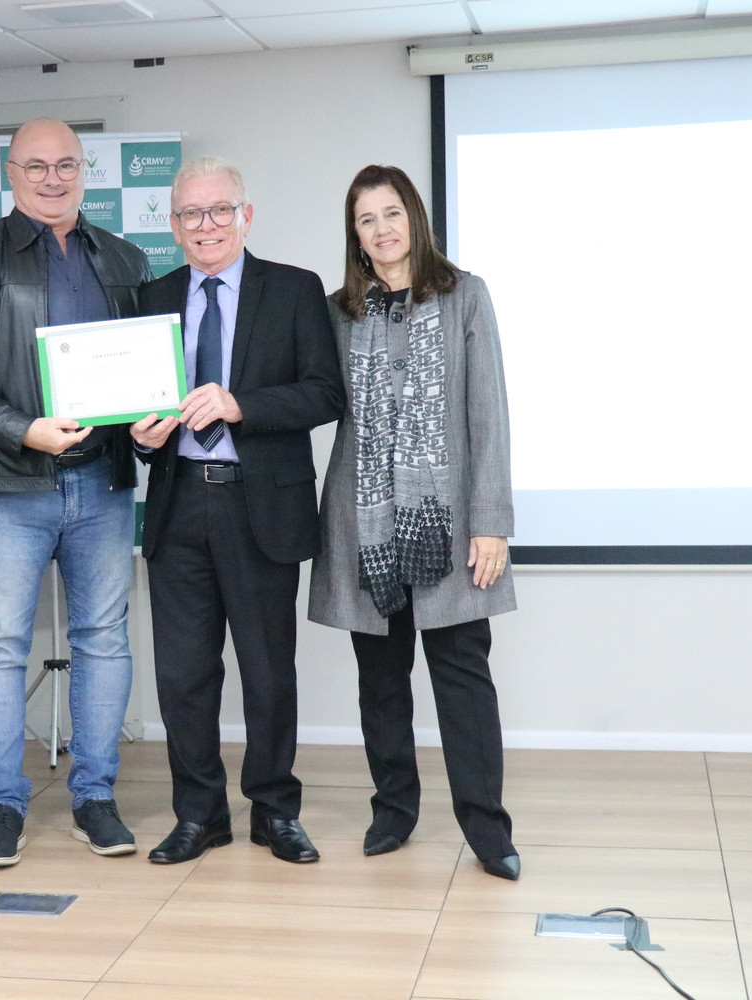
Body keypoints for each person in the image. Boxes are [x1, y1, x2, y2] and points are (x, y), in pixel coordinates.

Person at [0, 118, 153, 867]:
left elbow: (147, 370)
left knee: (104, 639)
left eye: (66, 165)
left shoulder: (124, 257)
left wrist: (148, 421)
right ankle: (3, 804)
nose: (52, 178)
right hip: (8, 486)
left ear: (84, 170)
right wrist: (23, 430)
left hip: (103, 483)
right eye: (36, 166)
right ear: (10, 172)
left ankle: (95, 797)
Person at [308, 164, 521, 880]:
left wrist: (491, 522)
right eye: (366, 219)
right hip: (365, 527)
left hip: (450, 526)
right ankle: (393, 812)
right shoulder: (338, 312)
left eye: (392, 213)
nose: (382, 229)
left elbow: (489, 414)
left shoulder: (465, 296)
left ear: (415, 218)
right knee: (381, 682)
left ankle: (487, 829)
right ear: (355, 235)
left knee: (463, 679)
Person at [130, 157, 344, 865]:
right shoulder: (151, 297)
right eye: (191, 214)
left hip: (261, 509)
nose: (206, 225)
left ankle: (275, 811)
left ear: (245, 216)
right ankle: (199, 815)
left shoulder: (294, 289)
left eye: (219, 210)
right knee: (183, 677)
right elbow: (132, 407)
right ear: (173, 226)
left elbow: (324, 393)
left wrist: (239, 404)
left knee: (268, 673)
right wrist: (138, 434)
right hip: (177, 505)